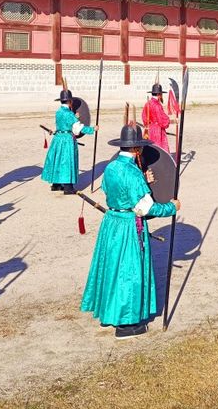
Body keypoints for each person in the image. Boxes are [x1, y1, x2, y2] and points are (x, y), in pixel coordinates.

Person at [81, 124, 180, 338]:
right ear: (138, 149)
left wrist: (143, 182)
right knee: (127, 272)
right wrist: (172, 207)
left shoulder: (111, 167)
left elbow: (108, 189)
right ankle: (126, 324)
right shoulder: (133, 174)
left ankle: (109, 314)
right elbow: (145, 208)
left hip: (112, 222)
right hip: (128, 225)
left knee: (112, 268)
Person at [41, 81, 96, 194]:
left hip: (58, 138)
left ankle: (56, 184)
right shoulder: (69, 114)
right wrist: (92, 129)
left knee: (58, 159)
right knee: (67, 161)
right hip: (66, 140)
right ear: (70, 101)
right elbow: (78, 128)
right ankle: (68, 187)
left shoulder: (58, 112)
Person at [142, 83, 171, 152]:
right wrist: (167, 120)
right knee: (159, 147)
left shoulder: (148, 103)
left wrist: (147, 124)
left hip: (149, 129)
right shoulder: (157, 105)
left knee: (149, 147)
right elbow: (161, 119)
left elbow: (144, 116)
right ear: (159, 95)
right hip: (157, 130)